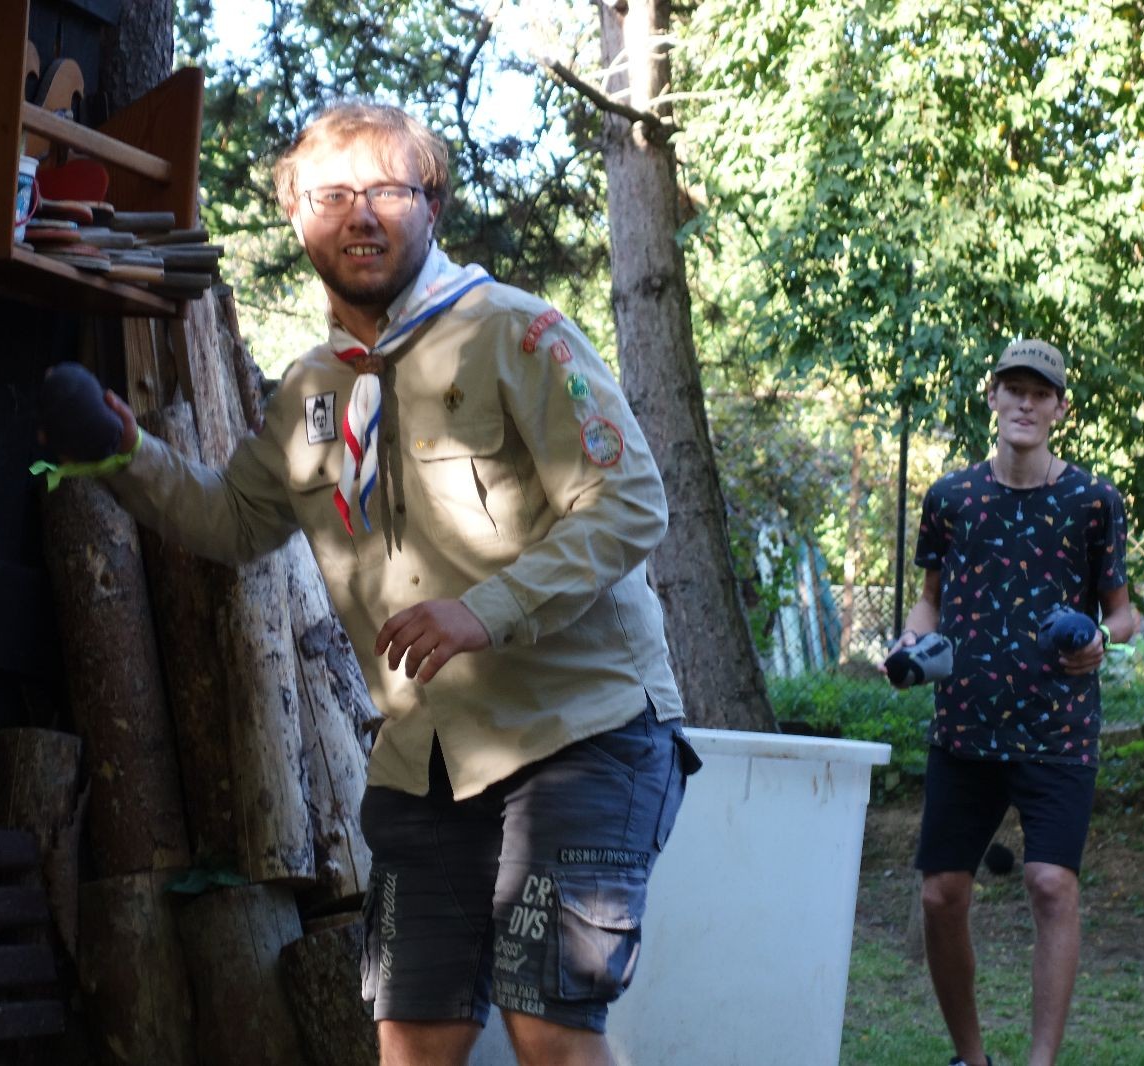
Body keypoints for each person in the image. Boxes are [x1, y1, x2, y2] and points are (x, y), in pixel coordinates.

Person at [85, 101, 698, 1066]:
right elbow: (234, 520)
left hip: (583, 733)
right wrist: (127, 455)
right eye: (332, 195)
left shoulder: (518, 334)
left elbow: (627, 504)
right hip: (428, 760)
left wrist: (485, 611)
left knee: (549, 1025)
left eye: (386, 191)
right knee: (411, 1038)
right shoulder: (311, 393)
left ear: (432, 206)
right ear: (296, 217)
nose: (360, 215)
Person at [890, 338, 1135, 1066]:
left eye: (1040, 393)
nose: (1025, 403)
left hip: (1058, 729)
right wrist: (910, 641)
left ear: (1060, 408)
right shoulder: (951, 498)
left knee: (1051, 884)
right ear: (992, 397)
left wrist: (1099, 638)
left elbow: (1124, 614)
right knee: (940, 896)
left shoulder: (1094, 501)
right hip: (965, 727)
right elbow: (929, 600)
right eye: (1013, 389)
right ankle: (971, 1059)